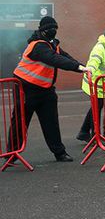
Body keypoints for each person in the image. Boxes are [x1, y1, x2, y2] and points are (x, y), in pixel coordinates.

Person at [8, 17, 88, 162]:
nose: (53, 31)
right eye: (50, 29)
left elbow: (66, 58)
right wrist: (77, 67)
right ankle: (11, 155)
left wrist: (82, 67)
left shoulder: (53, 45)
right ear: (42, 30)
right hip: (26, 89)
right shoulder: (37, 45)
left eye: (55, 28)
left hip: (46, 90)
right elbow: (53, 59)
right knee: (20, 121)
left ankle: (59, 152)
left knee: (51, 122)